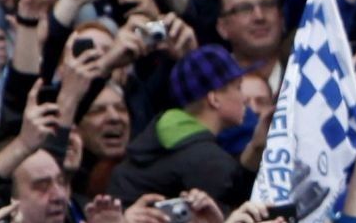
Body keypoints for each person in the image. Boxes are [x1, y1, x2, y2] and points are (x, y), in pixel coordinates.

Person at [106, 44, 261, 207]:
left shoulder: (157, 135)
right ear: (214, 99)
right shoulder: (210, 162)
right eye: (238, 88)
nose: (244, 98)